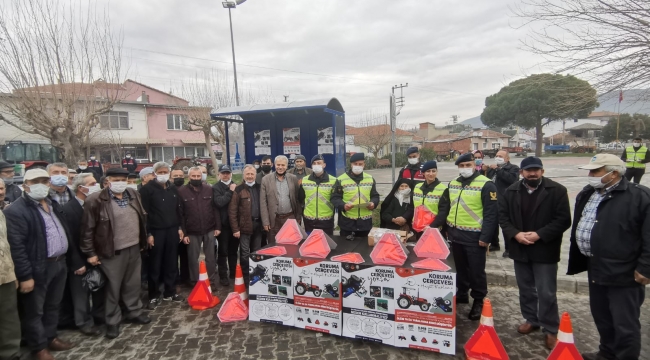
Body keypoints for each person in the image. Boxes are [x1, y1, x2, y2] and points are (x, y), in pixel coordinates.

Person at [568, 154, 650, 360]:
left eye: (595, 171)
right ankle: (606, 353)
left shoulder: (639, 196)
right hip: (596, 265)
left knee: (625, 324)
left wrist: (646, 267)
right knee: (602, 316)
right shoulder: (589, 193)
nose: (590, 175)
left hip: (624, 272)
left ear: (614, 173)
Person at [498, 157, 572, 350]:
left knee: (546, 292)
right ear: (521, 172)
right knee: (526, 289)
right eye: (528, 170)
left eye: (536, 170)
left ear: (542, 171)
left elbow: (563, 220)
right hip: (520, 248)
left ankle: (550, 328)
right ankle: (531, 319)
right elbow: (503, 217)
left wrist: (539, 235)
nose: (532, 173)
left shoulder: (557, 190)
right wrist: (516, 234)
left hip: (544, 249)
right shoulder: (511, 191)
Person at [5, 169, 75, 360]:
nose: (41, 185)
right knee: (34, 310)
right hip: (38, 267)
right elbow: (17, 247)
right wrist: (25, 276)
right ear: (25, 184)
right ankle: (38, 347)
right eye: (36, 181)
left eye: (45, 181)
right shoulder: (16, 211)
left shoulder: (51, 204)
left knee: (53, 305)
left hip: (59, 263)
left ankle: (50, 337)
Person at [81, 167, 151, 339]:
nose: (120, 183)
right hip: (111, 251)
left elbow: (142, 218)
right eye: (116, 179)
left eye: (123, 179)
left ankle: (134, 311)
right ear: (107, 181)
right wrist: (90, 253)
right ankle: (112, 320)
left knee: (132, 283)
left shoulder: (133, 195)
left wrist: (143, 238)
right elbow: (87, 229)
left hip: (134, 247)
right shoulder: (95, 200)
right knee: (113, 288)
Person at [440, 152, 498, 320]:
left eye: (468, 165)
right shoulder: (453, 184)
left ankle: (479, 300)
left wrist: (486, 237)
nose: (465, 169)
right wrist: (445, 229)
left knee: (476, 271)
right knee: (460, 268)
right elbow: (447, 207)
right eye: (461, 166)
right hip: (455, 234)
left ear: (474, 165)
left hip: (475, 236)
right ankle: (462, 293)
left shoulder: (487, 185)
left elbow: (491, 214)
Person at [61, 173, 103, 337]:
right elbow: (70, 238)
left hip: (99, 255)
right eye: (92, 183)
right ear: (81, 188)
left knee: (99, 287)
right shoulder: (69, 209)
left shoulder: (97, 203)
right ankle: (84, 322)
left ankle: (99, 316)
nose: (96, 186)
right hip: (79, 258)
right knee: (81, 293)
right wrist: (78, 262)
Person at [140, 162, 184, 310]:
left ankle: (170, 292)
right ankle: (153, 295)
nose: (164, 174)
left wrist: (179, 227)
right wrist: (148, 233)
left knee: (171, 262)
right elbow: (144, 214)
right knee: (155, 264)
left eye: (166, 171)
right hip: (156, 231)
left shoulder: (172, 188)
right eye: (161, 172)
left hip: (172, 230)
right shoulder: (147, 190)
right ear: (155, 173)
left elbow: (177, 210)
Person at [177, 167, 221, 289]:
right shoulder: (182, 191)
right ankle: (195, 281)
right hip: (192, 231)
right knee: (192, 258)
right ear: (188, 177)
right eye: (193, 176)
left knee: (211, 258)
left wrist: (217, 226)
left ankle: (211, 281)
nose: (196, 178)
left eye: (198, 176)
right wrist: (184, 233)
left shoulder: (209, 189)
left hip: (209, 229)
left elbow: (214, 209)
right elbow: (180, 214)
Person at [331, 153, 380, 239]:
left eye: (360, 164)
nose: (358, 166)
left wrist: (373, 203)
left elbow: (375, 196)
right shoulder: (341, 179)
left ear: (364, 164)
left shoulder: (370, 178)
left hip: (365, 223)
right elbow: (335, 198)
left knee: (364, 249)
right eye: (355, 164)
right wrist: (343, 206)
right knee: (346, 249)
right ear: (351, 164)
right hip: (347, 223)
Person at [484, 150, 521, 254]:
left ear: (507, 158)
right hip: (492, 200)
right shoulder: (492, 169)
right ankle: (494, 244)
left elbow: (512, 180)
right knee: (493, 224)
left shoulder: (513, 168)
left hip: (505, 200)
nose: (498, 157)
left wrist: (498, 169)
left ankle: (509, 248)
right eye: (496, 155)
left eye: (500, 156)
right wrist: (483, 170)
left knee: (505, 224)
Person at [229, 165, 262, 279]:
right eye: (247, 174)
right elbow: (232, 211)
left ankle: (255, 276)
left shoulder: (260, 188)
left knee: (256, 253)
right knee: (244, 254)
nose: (250, 176)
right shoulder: (238, 190)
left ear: (255, 175)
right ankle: (245, 276)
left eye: (252, 174)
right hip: (244, 228)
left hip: (258, 226)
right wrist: (235, 229)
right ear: (244, 175)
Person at [260, 156, 301, 242]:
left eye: (283, 165)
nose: (280, 167)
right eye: (278, 164)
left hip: (289, 218)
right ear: (274, 165)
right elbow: (263, 202)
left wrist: (298, 216)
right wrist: (265, 222)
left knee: (290, 244)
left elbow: (297, 199)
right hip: (273, 219)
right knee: (273, 245)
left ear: (287, 166)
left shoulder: (293, 178)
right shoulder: (266, 180)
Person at [212, 165, 239, 286]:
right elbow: (219, 202)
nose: (225, 175)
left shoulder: (236, 186)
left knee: (233, 251)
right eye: (223, 173)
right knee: (223, 252)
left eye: (227, 173)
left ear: (231, 174)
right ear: (219, 174)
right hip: (223, 225)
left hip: (235, 225)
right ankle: (223, 275)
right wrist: (230, 191)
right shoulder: (216, 187)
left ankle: (233, 273)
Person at [0, 208, 20, 360]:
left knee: (9, 317)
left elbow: (6, 244)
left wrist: (13, 274)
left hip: (5, 273)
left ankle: (11, 354)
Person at [299, 154, 336, 235]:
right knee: (310, 244)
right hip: (309, 220)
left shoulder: (333, 180)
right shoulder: (305, 180)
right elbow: (301, 198)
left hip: (326, 220)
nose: (316, 165)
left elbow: (336, 199)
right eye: (314, 163)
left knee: (326, 245)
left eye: (319, 163)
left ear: (324, 165)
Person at [411, 160, 449, 231]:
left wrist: (432, 226)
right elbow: (412, 207)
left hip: (434, 228)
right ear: (423, 173)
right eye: (428, 171)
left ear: (437, 172)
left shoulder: (443, 189)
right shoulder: (417, 187)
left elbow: (443, 212)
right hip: (417, 227)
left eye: (433, 171)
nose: (431, 174)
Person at [170, 169, 189, 285]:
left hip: (186, 228)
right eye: (175, 175)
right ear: (171, 177)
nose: (178, 177)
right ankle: (174, 278)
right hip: (172, 228)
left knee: (185, 255)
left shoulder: (187, 190)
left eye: (180, 175)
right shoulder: (168, 190)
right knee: (172, 257)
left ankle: (185, 277)